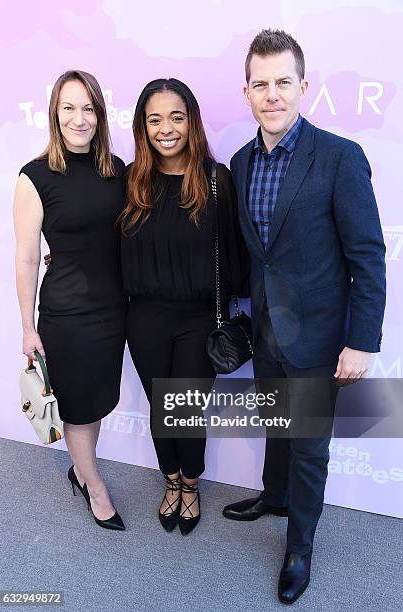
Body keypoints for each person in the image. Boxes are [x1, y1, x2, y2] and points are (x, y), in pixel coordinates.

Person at [222, 30, 386, 604]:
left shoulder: (340, 157)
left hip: (319, 337)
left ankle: (299, 548)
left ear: (303, 87)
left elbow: (367, 254)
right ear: (246, 92)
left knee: (310, 446)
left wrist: (362, 341)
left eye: (283, 82)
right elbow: (251, 253)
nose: (272, 94)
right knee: (277, 426)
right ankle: (274, 495)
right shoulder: (241, 164)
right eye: (260, 83)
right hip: (267, 332)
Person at [120, 78, 249, 534]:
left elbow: (236, 251)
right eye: (154, 119)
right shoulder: (131, 179)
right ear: (143, 127)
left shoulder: (217, 180)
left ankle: (190, 484)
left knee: (186, 409)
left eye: (176, 117)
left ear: (191, 120)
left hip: (199, 319)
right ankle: (170, 482)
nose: (166, 129)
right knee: (161, 408)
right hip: (145, 318)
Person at [14, 70, 127, 531]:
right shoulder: (35, 176)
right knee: (78, 410)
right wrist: (27, 327)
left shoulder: (117, 170)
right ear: (54, 114)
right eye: (69, 108)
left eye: (88, 108)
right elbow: (25, 259)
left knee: (94, 403)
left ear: (99, 114)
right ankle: (93, 486)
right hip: (67, 315)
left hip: (113, 311)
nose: (79, 119)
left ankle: (82, 469)